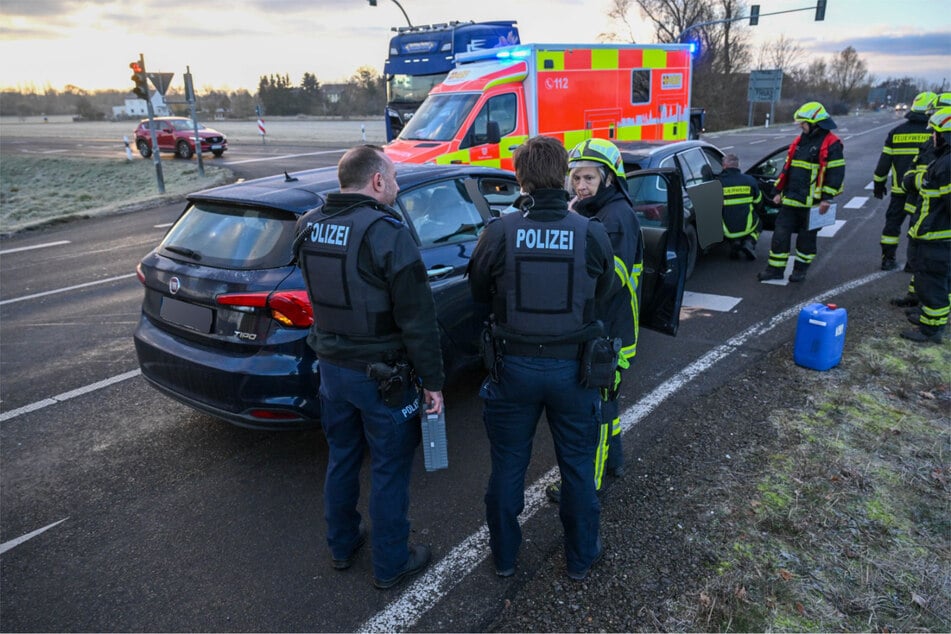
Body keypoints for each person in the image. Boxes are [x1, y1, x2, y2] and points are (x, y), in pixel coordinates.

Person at [468, 135, 618, 581]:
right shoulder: (591, 232)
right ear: (563, 176)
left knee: (507, 466)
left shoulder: (500, 230)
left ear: (521, 178)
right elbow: (606, 289)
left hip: (512, 370)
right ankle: (580, 558)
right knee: (578, 468)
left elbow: (478, 290)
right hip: (574, 371)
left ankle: (504, 558)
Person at [295, 144, 445, 589]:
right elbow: (418, 318)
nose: (395, 185)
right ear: (377, 181)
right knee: (388, 468)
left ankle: (342, 544)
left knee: (342, 457)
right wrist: (433, 381)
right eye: (393, 177)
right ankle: (391, 562)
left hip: (331, 370)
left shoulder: (308, 225)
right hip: (382, 376)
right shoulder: (387, 231)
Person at [546, 138, 643, 505]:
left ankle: (587, 484)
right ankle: (614, 461)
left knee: (595, 414)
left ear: (609, 178)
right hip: (607, 330)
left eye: (588, 178)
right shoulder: (597, 211)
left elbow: (609, 282)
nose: (580, 186)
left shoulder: (614, 219)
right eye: (576, 178)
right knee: (607, 404)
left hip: (608, 333)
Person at [758, 101, 845, 283]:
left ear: (815, 123)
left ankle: (800, 270)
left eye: (803, 123)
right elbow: (788, 168)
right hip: (791, 200)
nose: (800, 127)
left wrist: (826, 199)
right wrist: (778, 191)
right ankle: (775, 269)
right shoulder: (800, 141)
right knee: (780, 235)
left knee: (806, 240)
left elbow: (836, 174)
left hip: (813, 203)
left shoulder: (832, 144)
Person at [891, 92, 951, 308]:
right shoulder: (932, 145)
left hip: (937, 224)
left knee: (935, 271)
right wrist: (920, 179)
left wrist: (921, 179)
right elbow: (912, 172)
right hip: (924, 211)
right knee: (922, 264)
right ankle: (916, 297)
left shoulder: (946, 156)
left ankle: (932, 315)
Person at [872, 91, 936, 271]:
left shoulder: (896, 132)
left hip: (899, 190)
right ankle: (912, 263)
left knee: (892, 225)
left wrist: (878, 184)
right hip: (924, 191)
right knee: (918, 226)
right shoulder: (935, 134)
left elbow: (883, 164)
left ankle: (887, 259)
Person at [717, 153, 764, 261]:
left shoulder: (717, 182)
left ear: (724, 166)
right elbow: (758, 202)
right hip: (747, 225)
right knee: (759, 223)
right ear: (737, 165)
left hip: (725, 228)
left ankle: (734, 242)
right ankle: (749, 242)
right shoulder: (750, 180)